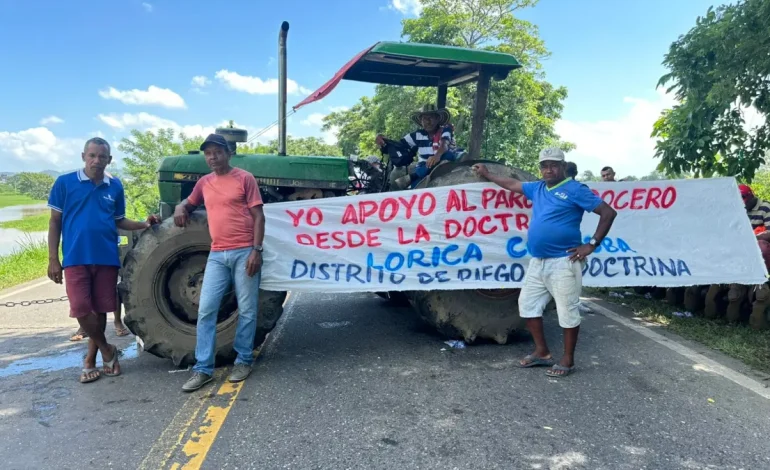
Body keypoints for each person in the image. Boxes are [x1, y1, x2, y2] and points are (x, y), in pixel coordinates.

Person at [473, 148, 617, 378]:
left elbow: (608, 212)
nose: (548, 169)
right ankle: (542, 352)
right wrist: (488, 175)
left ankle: (567, 360)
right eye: (544, 165)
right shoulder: (538, 188)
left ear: (562, 166)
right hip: (538, 261)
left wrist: (591, 244)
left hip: (563, 261)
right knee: (528, 306)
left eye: (554, 164)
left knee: (567, 311)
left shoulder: (575, 189)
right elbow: (512, 184)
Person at [47, 137, 159, 384]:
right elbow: (55, 221)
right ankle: (108, 349)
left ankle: (90, 360)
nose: (96, 160)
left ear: (109, 159)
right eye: (92, 155)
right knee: (80, 308)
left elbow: (119, 220)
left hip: (106, 257)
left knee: (99, 311)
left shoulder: (115, 186)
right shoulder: (65, 183)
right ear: (83, 156)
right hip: (76, 257)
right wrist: (53, 258)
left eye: (102, 156)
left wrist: (143, 224)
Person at [174, 134, 265, 393]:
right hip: (217, 254)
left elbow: (259, 216)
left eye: (217, 152)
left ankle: (244, 360)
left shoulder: (245, 178)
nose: (212, 157)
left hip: (244, 251)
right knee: (206, 310)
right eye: (208, 153)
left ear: (229, 153)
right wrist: (181, 208)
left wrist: (256, 251)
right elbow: (190, 204)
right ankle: (203, 369)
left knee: (247, 309)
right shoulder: (204, 183)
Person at [376, 104, 459, 189]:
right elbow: (398, 145)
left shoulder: (445, 130)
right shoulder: (417, 135)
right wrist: (383, 141)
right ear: (421, 121)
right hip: (423, 167)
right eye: (424, 118)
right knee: (415, 188)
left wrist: (437, 156)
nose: (427, 121)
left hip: (443, 163)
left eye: (431, 117)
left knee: (449, 155)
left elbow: (444, 144)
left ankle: (414, 175)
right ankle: (417, 176)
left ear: (437, 118)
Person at [738, 184, 770, 270]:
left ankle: (763, 278)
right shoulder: (738, 209)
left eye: (743, 198)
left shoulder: (765, 207)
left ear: (751, 197)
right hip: (742, 242)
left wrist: (752, 238)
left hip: (759, 242)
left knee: (762, 247)